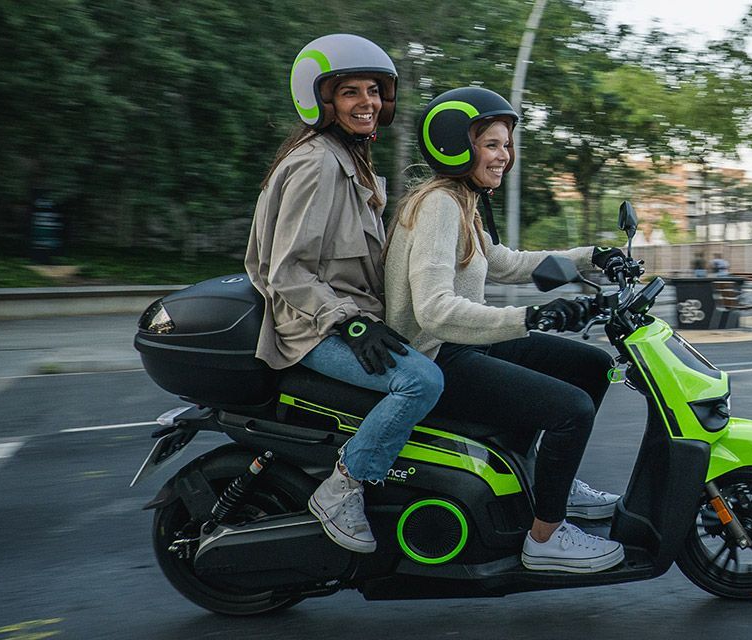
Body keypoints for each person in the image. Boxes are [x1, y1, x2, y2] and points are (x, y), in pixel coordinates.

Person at [384, 87, 627, 573]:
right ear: (456, 145)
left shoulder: (462, 202)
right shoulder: (439, 206)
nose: (504, 156)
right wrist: (528, 318)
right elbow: (433, 310)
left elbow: (504, 263)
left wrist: (591, 257)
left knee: (593, 366)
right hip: (436, 357)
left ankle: (549, 482)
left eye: (506, 145)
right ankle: (546, 537)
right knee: (571, 410)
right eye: (492, 144)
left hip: (467, 344)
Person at [244, 34, 444, 554]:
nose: (368, 102)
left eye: (374, 90)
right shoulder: (318, 164)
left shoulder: (348, 158)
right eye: (351, 91)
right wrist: (349, 324)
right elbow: (288, 271)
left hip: (344, 316)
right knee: (419, 382)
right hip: (309, 328)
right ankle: (344, 486)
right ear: (323, 100)